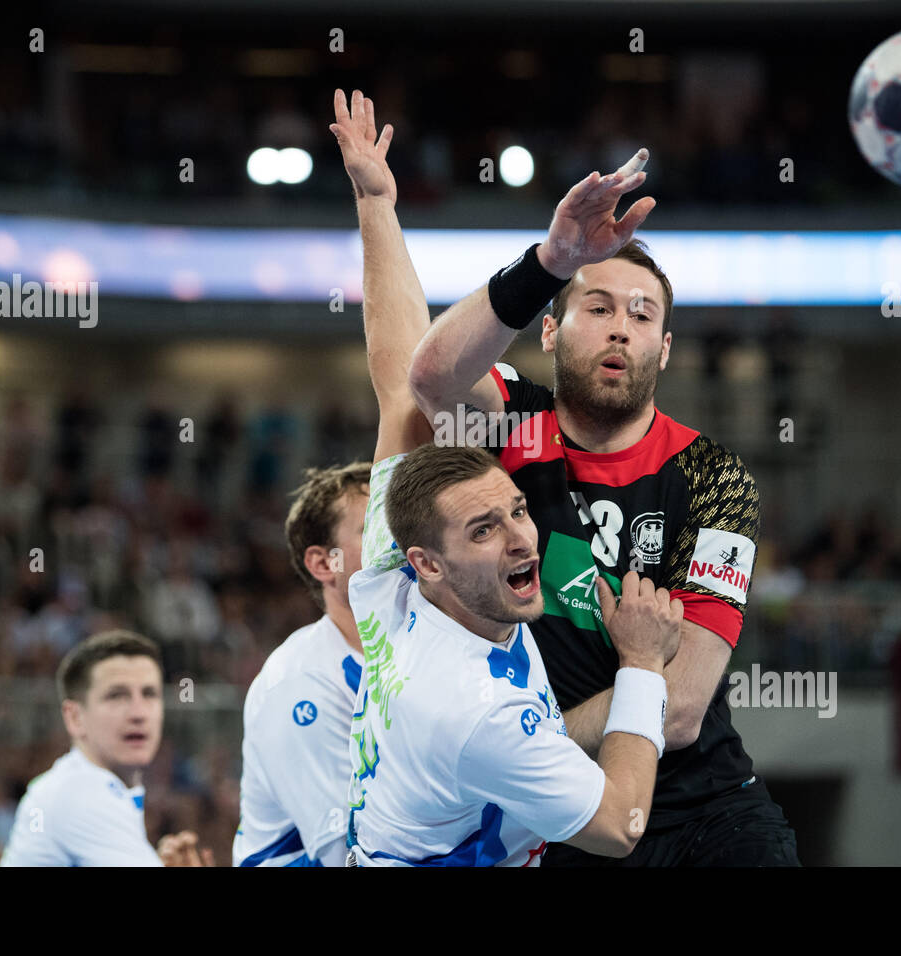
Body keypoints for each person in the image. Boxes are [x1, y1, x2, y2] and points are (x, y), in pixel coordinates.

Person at [407, 149, 800, 866]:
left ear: (665, 347)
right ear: (550, 333)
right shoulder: (511, 423)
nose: (622, 326)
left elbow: (679, 712)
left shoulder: (715, 478)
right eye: (598, 306)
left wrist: (526, 735)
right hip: (564, 816)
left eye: (643, 315)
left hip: (705, 810)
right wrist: (551, 260)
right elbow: (430, 374)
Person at [329, 88, 679, 867]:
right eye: (484, 531)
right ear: (433, 563)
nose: (523, 535)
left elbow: (399, 379)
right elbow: (622, 825)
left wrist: (376, 204)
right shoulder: (478, 711)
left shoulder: (390, 577)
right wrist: (643, 665)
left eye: (516, 510)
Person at [233, 462, 369, 867]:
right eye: (373, 528)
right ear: (324, 564)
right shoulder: (301, 682)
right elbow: (344, 856)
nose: (398, 541)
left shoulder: (424, 653)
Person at [0, 629, 211, 866]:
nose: (139, 713)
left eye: (149, 694)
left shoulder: (108, 790)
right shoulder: (75, 795)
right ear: (75, 718)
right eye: (117, 696)